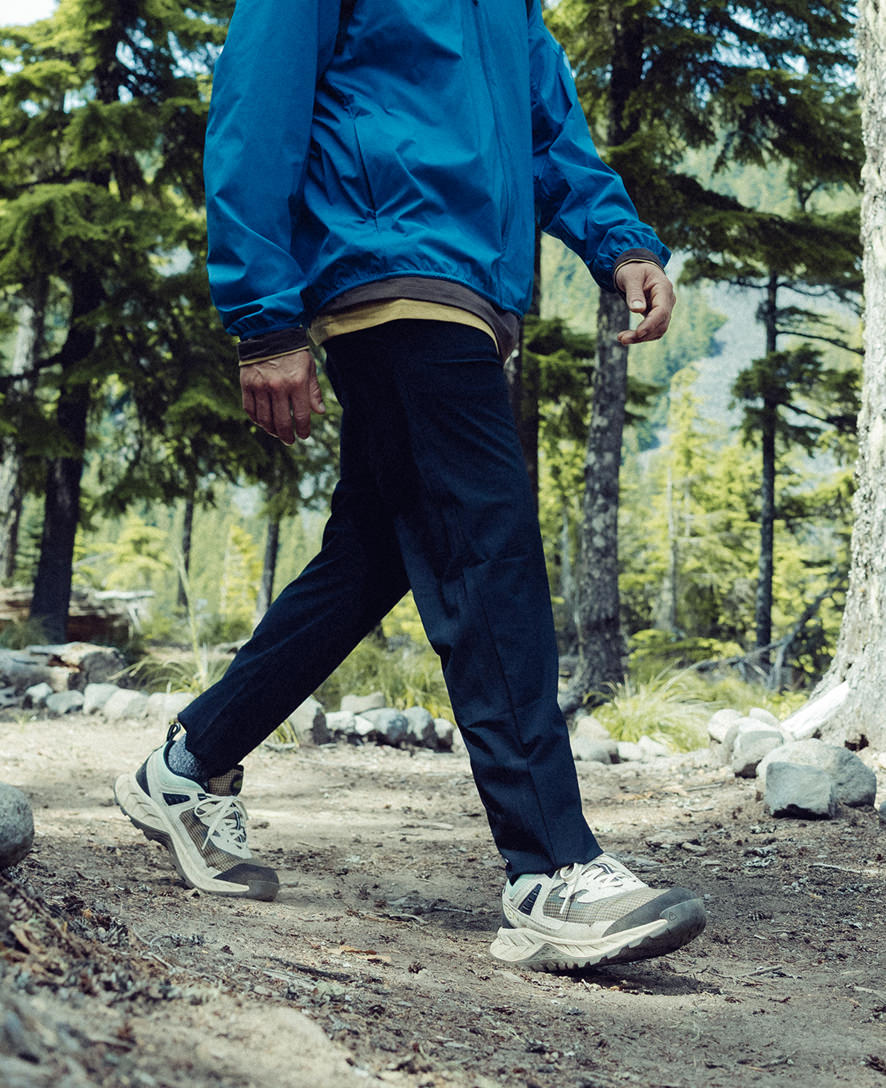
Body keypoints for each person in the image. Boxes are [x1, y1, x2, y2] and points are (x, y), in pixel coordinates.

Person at [115, 0, 706, 971]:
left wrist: (622, 242)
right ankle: (549, 865)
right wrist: (263, 317)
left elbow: (545, 124)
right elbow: (257, 103)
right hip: (387, 264)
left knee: (376, 554)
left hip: (465, 286)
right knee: (485, 542)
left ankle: (186, 764)